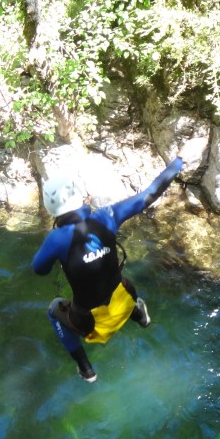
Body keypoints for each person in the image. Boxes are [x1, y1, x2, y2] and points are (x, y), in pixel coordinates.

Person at [32, 156, 184, 382]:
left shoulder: (56, 238)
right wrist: (178, 162)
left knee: (54, 308)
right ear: (79, 195)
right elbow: (150, 194)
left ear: (49, 208)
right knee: (120, 281)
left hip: (89, 321)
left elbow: (39, 269)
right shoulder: (106, 216)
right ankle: (140, 316)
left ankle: (86, 370)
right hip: (124, 299)